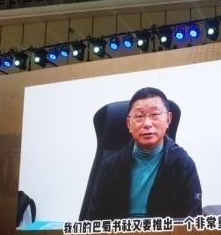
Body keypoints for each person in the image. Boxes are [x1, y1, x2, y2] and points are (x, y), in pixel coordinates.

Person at [85, 87, 202, 220]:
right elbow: (92, 220)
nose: (147, 124)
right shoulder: (111, 166)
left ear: (168, 119)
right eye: (139, 116)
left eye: (155, 114)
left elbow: (192, 223)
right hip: (119, 233)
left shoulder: (183, 165)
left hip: (164, 233)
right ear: (129, 124)